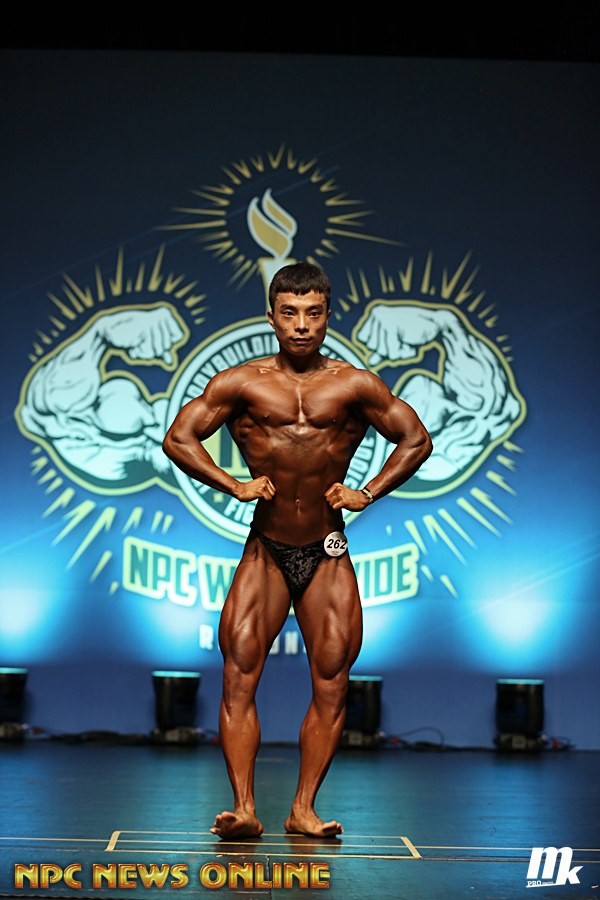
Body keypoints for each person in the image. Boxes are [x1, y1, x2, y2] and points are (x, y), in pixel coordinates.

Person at [162, 262, 432, 840]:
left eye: (313, 313)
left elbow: (416, 439)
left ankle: (303, 809)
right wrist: (232, 484)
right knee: (238, 675)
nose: (302, 325)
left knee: (332, 680)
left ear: (328, 316)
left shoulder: (354, 385)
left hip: (327, 550)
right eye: (290, 313)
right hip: (266, 548)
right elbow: (179, 437)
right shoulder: (242, 383)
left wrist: (367, 493)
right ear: (272, 317)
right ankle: (244, 808)